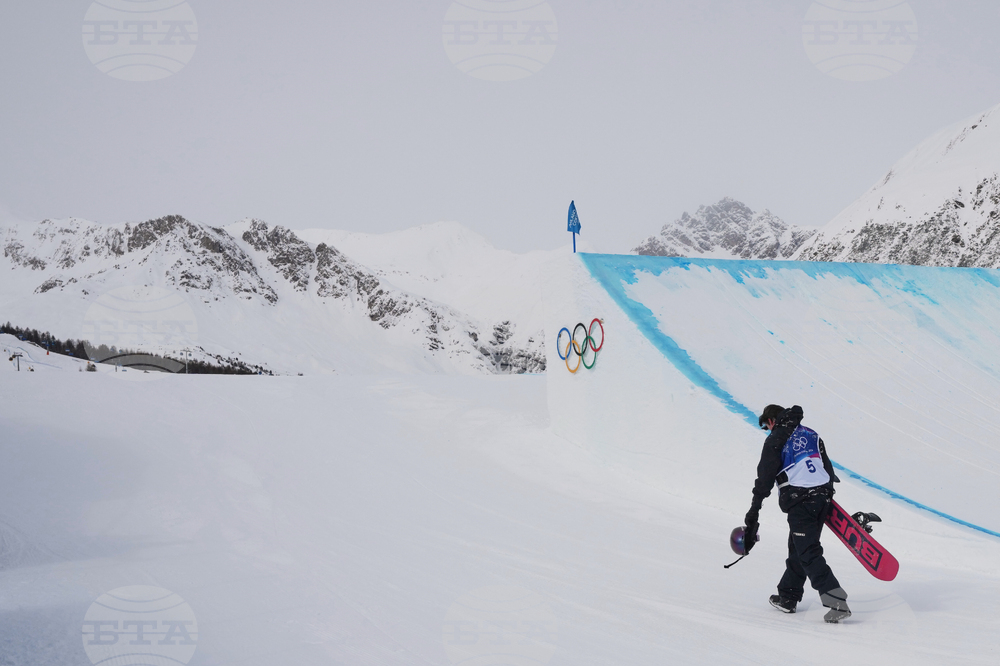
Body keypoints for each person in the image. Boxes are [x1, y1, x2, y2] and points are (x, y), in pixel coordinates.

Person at [742, 404, 851, 623]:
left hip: (801, 500)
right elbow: (826, 465)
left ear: (772, 421)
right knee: (799, 547)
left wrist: (754, 509)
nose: (767, 430)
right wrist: (826, 493)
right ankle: (788, 596)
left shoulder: (775, 440)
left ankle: (837, 602)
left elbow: (764, 479)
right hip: (822, 497)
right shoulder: (811, 433)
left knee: (808, 552)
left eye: (766, 425)